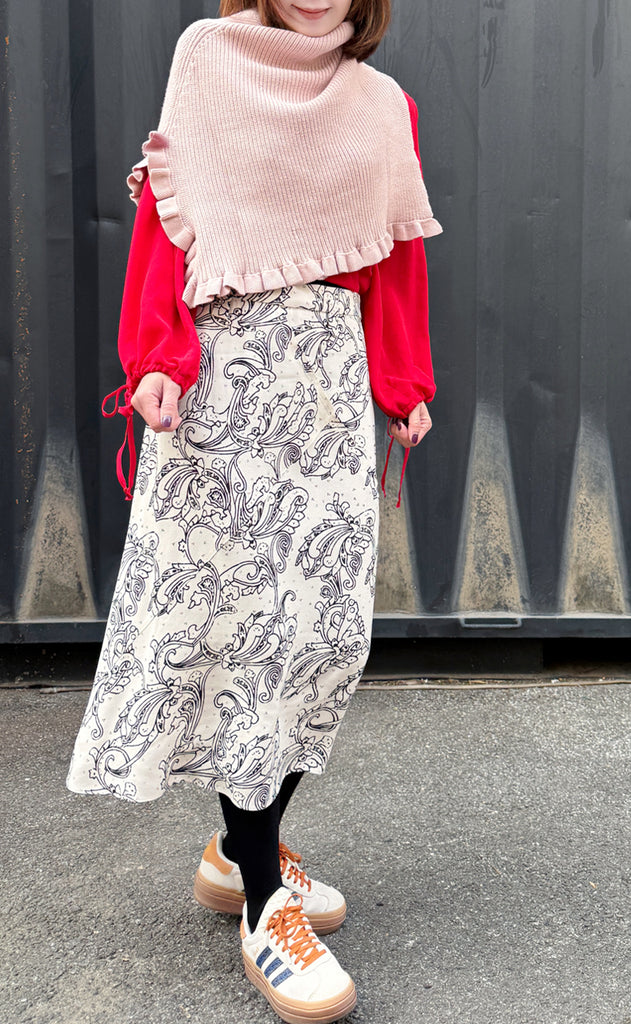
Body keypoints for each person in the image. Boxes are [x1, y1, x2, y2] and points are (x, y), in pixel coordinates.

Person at [67, 1, 441, 1021]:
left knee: (322, 632)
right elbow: (168, 219)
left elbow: (395, 256)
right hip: (222, 378)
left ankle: (240, 852)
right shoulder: (208, 56)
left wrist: (403, 380)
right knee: (244, 630)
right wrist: (156, 355)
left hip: (327, 385)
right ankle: (265, 899)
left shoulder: (382, 104)